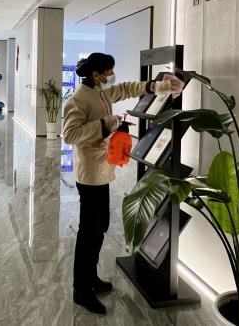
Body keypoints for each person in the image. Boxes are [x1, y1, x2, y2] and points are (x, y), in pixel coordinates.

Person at [62, 52, 185, 315]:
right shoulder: (78, 99)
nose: (111, 76)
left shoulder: (100, 92)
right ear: (96, 74)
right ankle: (81, 290)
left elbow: (126, 89)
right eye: (108, 72)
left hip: (102, 172)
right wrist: (104, 124)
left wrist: (159, 86)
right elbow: (70, 135)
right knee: (88, 233)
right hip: (90, 176)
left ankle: (91, 278)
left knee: (100, 228)